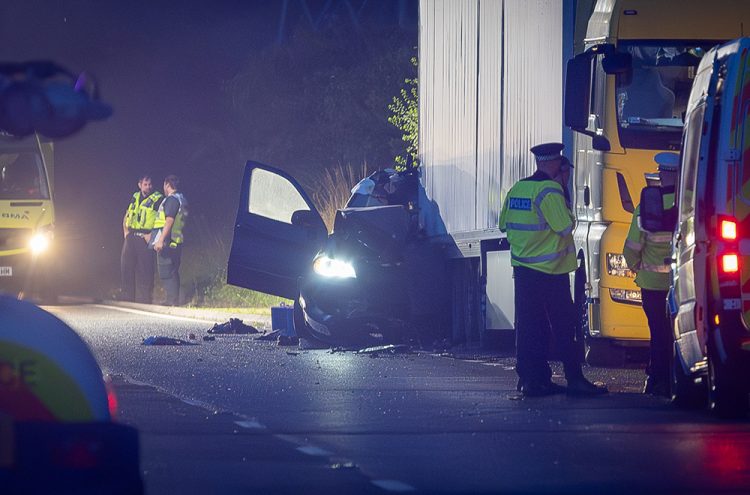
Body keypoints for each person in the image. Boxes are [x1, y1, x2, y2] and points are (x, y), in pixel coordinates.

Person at [499, 142, 607, 397]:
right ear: (557, 165)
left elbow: (504, 224)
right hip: (551, 273)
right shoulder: (550, 190)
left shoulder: (518, 188)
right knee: (563, 327)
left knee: (528, 328)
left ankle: (531, 380)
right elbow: (565, 227)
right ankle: (575, 379)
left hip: (524, 271)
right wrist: (565, 198)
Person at [623, 152, 679, 397]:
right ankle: (679, 377)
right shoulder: (691, 202)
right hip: (683, 283)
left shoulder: (646, 205)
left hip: (652, 285)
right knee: (680, 334)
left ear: (660, 174)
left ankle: (657, 380)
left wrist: (636, 267)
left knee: (658, 332)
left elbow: (632, 247)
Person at [121, 174, 163, 303]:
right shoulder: (135, 197)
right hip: (131, 236)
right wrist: (125, 231)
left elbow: (162, 219)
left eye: (150, 184)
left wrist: (153, 235)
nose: (148, 187)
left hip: (145, 236)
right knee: (126, 267)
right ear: (140, 185)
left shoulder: (157, 199)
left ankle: (146, 300)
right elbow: (128, 214)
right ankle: (128, 298)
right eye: (145, 184)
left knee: (145, 269)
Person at [151, 175, 187, 306]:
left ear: (167, 184)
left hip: (167, 240)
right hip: (177, 240)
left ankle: (172, 300)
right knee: (173, 271)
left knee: (165, 271)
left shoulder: (171, 200)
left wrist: (160, 240)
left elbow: (169, 219)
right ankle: (173, 299)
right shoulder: (182, 198)